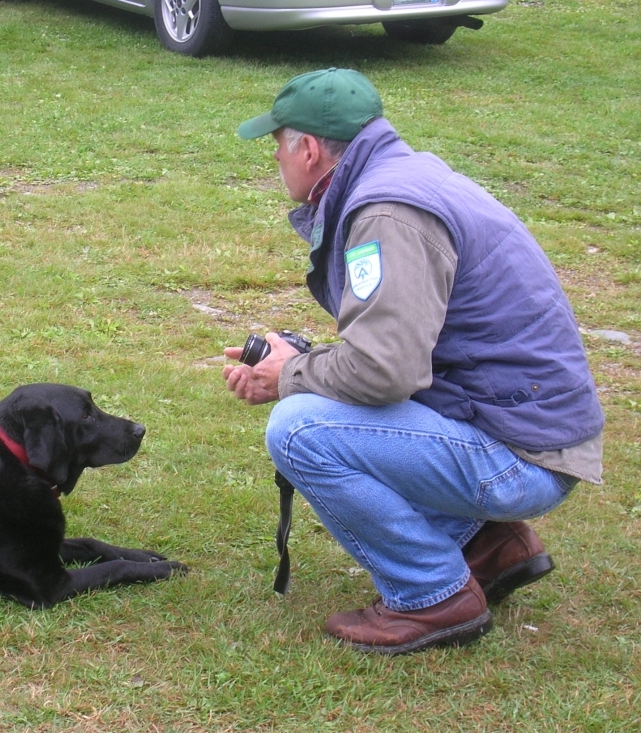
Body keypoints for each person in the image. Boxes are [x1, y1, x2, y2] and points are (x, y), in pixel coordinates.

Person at [223, 68, 604, 655]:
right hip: (527, 429)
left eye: (277, 140)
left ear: (308, 148)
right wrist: (305, 359)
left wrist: (289, 376)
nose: (273, 153)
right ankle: (486, 546)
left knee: (300, 429)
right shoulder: (406, 177)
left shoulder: (388, 213)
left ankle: (431, 595)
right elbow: (400, 349)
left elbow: (384, 372)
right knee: (318, 402)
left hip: (524, 454)